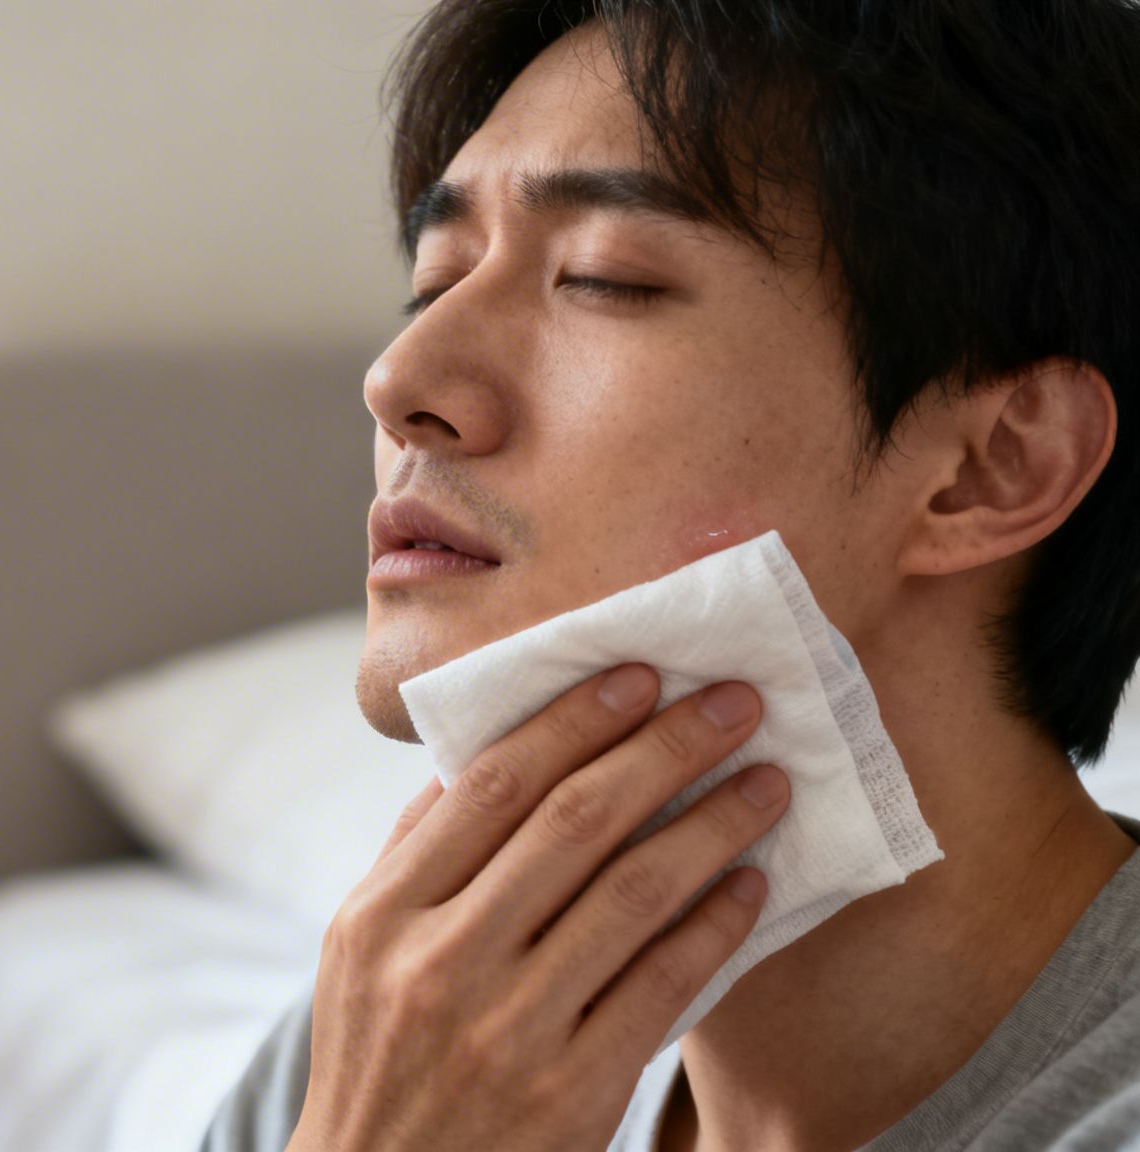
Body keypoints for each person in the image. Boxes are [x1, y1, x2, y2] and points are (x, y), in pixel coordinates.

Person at [203, 1, 1140, 1149]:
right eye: (434, 280)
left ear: (991, 466)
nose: (400, 378)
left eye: (600, 279)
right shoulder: (405, 1041)